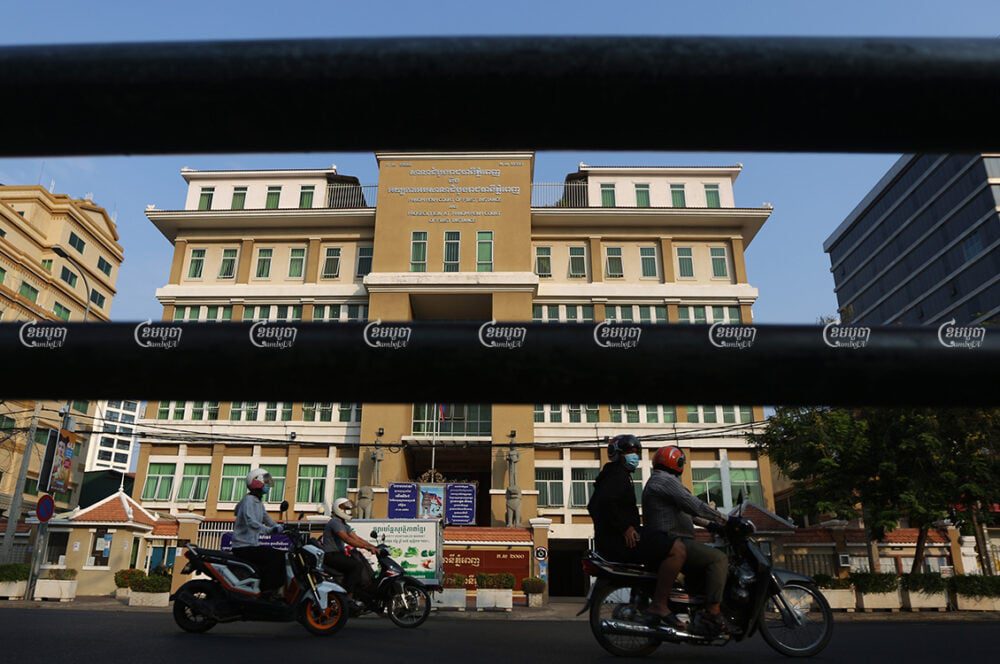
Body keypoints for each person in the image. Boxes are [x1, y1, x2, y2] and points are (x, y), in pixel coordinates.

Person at [588, 435, 687, 629]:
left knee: (661, 543)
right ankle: (660, 605)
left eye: (636, 452)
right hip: (619, 541)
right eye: (629, 452)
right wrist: (625, 527)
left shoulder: (618, 474)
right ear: (617, 454)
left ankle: (646, 599)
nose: (634, 456)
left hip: (617, 538)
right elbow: (602, 504)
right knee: (677, 549)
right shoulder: (615, 474)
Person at [643, 446, 730, 637]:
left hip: (674, 538)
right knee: (719, 559)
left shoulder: (664, 480)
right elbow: (693, 504)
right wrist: (725, 519)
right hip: (672, 539)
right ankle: (713, 611)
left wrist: (711, 525)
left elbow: (686, 512)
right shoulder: (665, 481)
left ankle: (698, 606)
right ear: (678, 463)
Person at [232, 468, 286, 598]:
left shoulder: (257, 502)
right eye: (265, 481)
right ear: (256, 482)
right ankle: (267, 591)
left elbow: (266, 518)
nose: (268, 484)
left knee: (278, 554)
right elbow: (251, 521)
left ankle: (270, 588)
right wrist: (269, 530)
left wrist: (280, 527)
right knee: (276, 556)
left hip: (252, 545)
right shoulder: (248, 500)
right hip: (243, 546)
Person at [322, 497, 380, 600]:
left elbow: (356, 538)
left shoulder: (343, 524)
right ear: (338, 509)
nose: (347, 511)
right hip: (331, 555)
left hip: (338, 554)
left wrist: (372, 546)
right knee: (356, 566)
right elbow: (347, 539)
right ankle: (348, 595)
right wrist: (366, 547)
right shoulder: (335, 522)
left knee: (360, 562)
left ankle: (359, 594)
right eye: (345, 509)